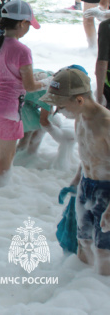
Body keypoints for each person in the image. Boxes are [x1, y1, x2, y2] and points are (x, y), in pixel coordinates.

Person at [40, 67, 110, 275]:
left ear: (79, 100)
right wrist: (75, 181)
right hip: (86, 185)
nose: (58, 112)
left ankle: (100, 292)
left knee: (103, 248)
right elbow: (87, 154)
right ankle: (80, 286)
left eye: (61, 107)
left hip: (107, 191)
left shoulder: (105, 123)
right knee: (83, 240)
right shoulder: (80, 118)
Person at [0, 0, 46, 187]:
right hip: (8, 107)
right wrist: (46, 81)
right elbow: (30, 86)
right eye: (28, 24)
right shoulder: (22, 50)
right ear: (21, 23)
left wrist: (34, 77)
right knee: (7, 155)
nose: (28, 28)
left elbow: (6, 75)